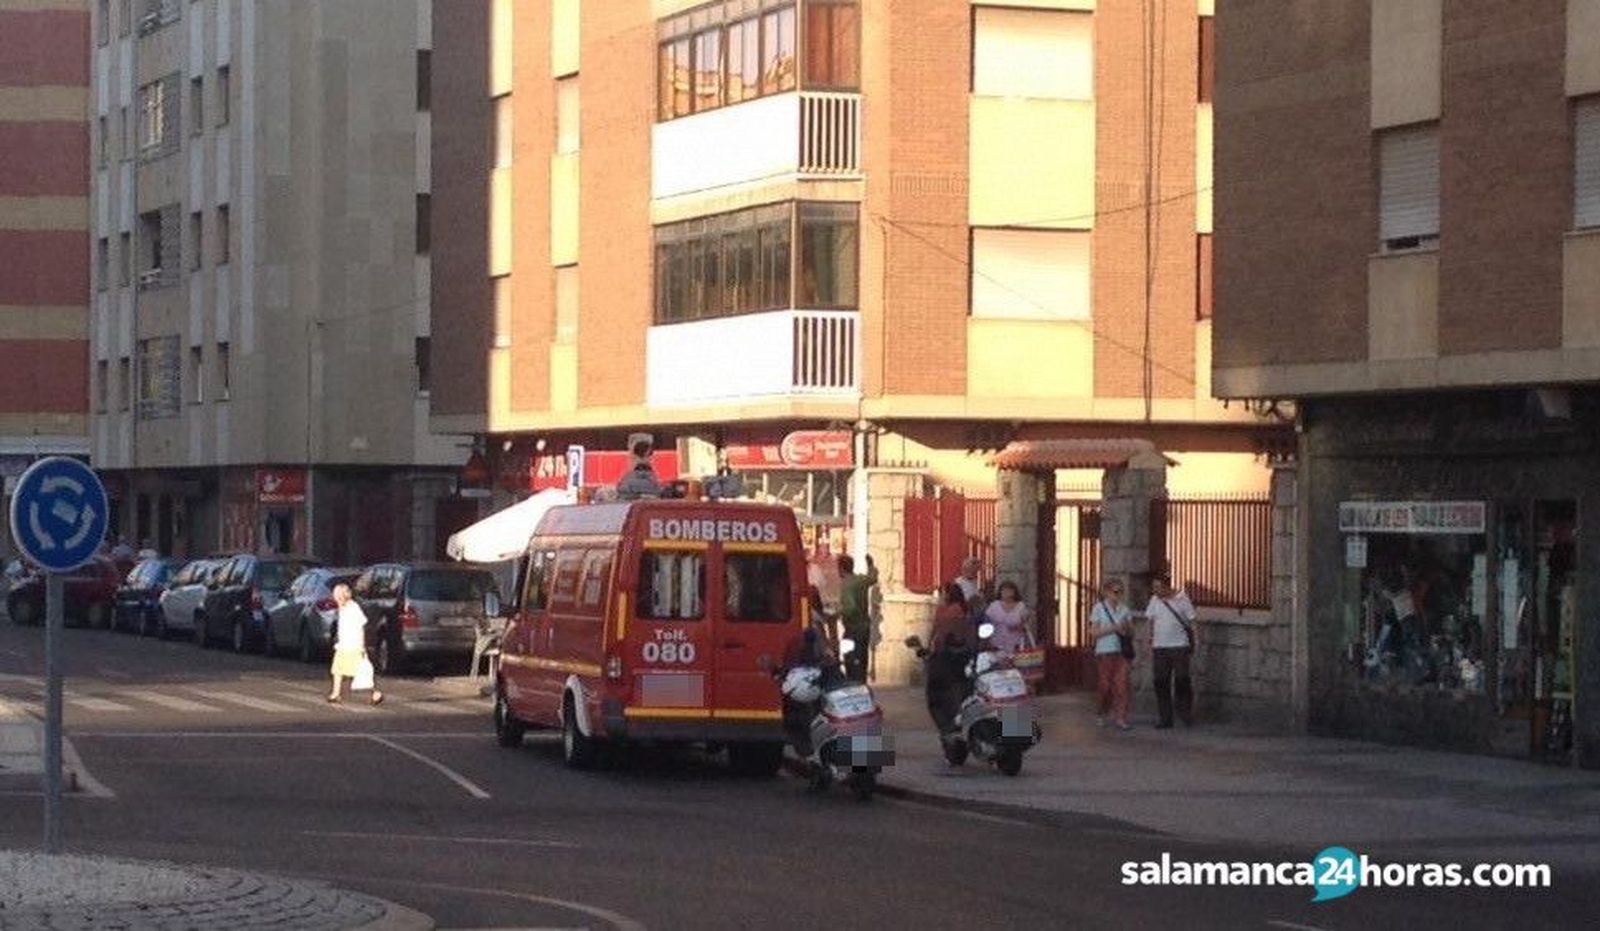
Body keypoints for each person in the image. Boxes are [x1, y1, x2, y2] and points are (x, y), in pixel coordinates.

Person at [1144, 574, 1197, 728]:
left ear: (1167, 586)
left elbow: (1192, 622)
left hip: (1179, 645)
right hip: (1160, 647)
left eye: (1158, 587)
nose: (1155, 590)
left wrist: (1196, 641)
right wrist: (1148, 640)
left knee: (1182, 679)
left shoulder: (1182, 599)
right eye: (1154, 587)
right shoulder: (1154, 600)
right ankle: (1165, 718)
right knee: (1161, 681)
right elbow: (1150, 622)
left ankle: (1185, 712)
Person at [924, 583, 975, 737]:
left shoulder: (949, 611)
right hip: (961, 652)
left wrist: (929, 645)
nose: (940, 596)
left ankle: (950, 721)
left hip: (947, 653)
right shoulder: (962, 609)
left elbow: (938, 630)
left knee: (945, 689)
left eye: (942, 593)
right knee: (960, 686)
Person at [1089, 580, 1134, 731]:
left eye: (1121, 592)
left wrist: (1126, 629)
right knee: (1105, 686)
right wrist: (1114, 628)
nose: (1118, 595)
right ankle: (1101, 712)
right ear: (1106, 592)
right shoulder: (1099, 608)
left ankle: (1121, 717)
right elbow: (1094, 632)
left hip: (1122, 652)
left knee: (1122, 685)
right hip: (1104, 651)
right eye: (1115, 592)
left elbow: (1131, 632)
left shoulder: (1125, 609)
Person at [328, 584, 383, 705]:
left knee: (360, 672)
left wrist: (362, 645)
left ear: (342, 596)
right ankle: (336, 693)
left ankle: (375, 693)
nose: (334, 598)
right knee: (337, 670)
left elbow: (361, 625)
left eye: (336, 595)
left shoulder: (353, 608)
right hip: (344, 645)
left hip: (353, 645)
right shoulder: (343, 608)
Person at [836, 554, 878, 683]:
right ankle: (862, 682)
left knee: (849, 658)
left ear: (841, 568)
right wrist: (870, 565)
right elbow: (873, 578)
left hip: (852, 627)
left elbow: (850, 607)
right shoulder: (860, 580)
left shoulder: (845, 585)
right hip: (865, 626)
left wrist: (838, 613)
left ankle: (853, 683)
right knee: (862, 658)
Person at [982, 580, 1033, 658]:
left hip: (1016, 646)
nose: (1006, 593)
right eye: (1004, 591)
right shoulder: (994, 606)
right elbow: (986, 623)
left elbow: (1027, 625)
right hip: (996, 645)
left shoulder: (1021, 606)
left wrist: (1019, 627)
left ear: (1014, 592)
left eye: (1009, 590)